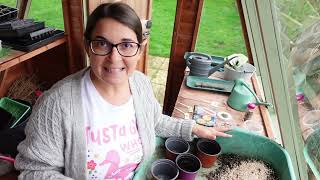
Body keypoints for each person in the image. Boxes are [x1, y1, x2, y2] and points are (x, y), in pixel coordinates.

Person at [14, 2, 232, 179]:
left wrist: (194, 129)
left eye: (126, 45)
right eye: (102, 44)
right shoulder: (56, 105)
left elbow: (153, 122)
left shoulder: (141, 85)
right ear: (87, 46)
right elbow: (35, 171)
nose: (114, 57)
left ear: (139, 50)